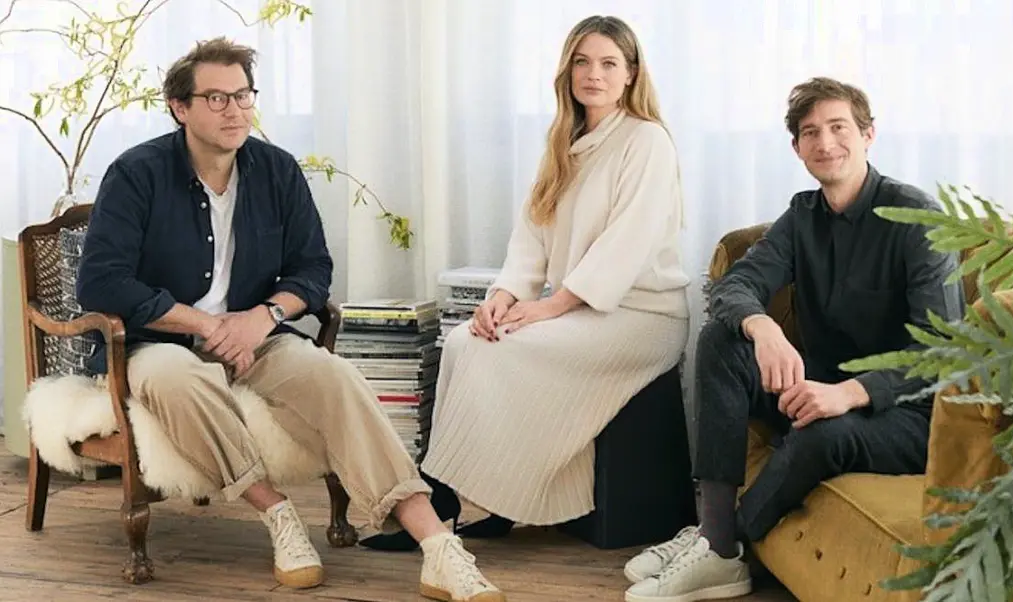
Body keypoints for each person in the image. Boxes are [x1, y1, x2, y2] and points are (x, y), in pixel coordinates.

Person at [76, 37, 505, 602]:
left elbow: (313, 268)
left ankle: (438, 548)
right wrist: (206, 327)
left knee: (337, 377)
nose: (234, 110)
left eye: (243, 95)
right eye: (216, 98)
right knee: (175, 379)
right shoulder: (136, 173)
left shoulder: (276, 170)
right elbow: (103, 282)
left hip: (258, 338)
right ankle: (278, 515)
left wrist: (264, 316)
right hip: (160, 342)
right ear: (180, 108)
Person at [622, 77, 967, 601]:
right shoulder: (802, 215)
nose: (825, 143)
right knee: (723, 339)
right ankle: (714, 542)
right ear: (797, 147)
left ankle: (721, 540)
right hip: (818, 389)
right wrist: (763, 330)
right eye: (811, 133)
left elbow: (940, 354)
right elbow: (735, 284)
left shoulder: (917, 220)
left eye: (838, 127)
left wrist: (848, 394)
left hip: (909, 415)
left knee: (822, 437)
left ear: (869, 134)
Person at [360, 15, 691, 551]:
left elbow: (626, 245)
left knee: (498, 353)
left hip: (641, 317)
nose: (594, 74)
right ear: (567, 71)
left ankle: (450, 505)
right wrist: (503, 297)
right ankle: (463, 500)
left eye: (609, 63)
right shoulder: (562, 142)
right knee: (469, 338)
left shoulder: (646, 141)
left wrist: (549, 307)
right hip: (581, 310)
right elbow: (530, 237)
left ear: (631, 74)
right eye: (582, 61)